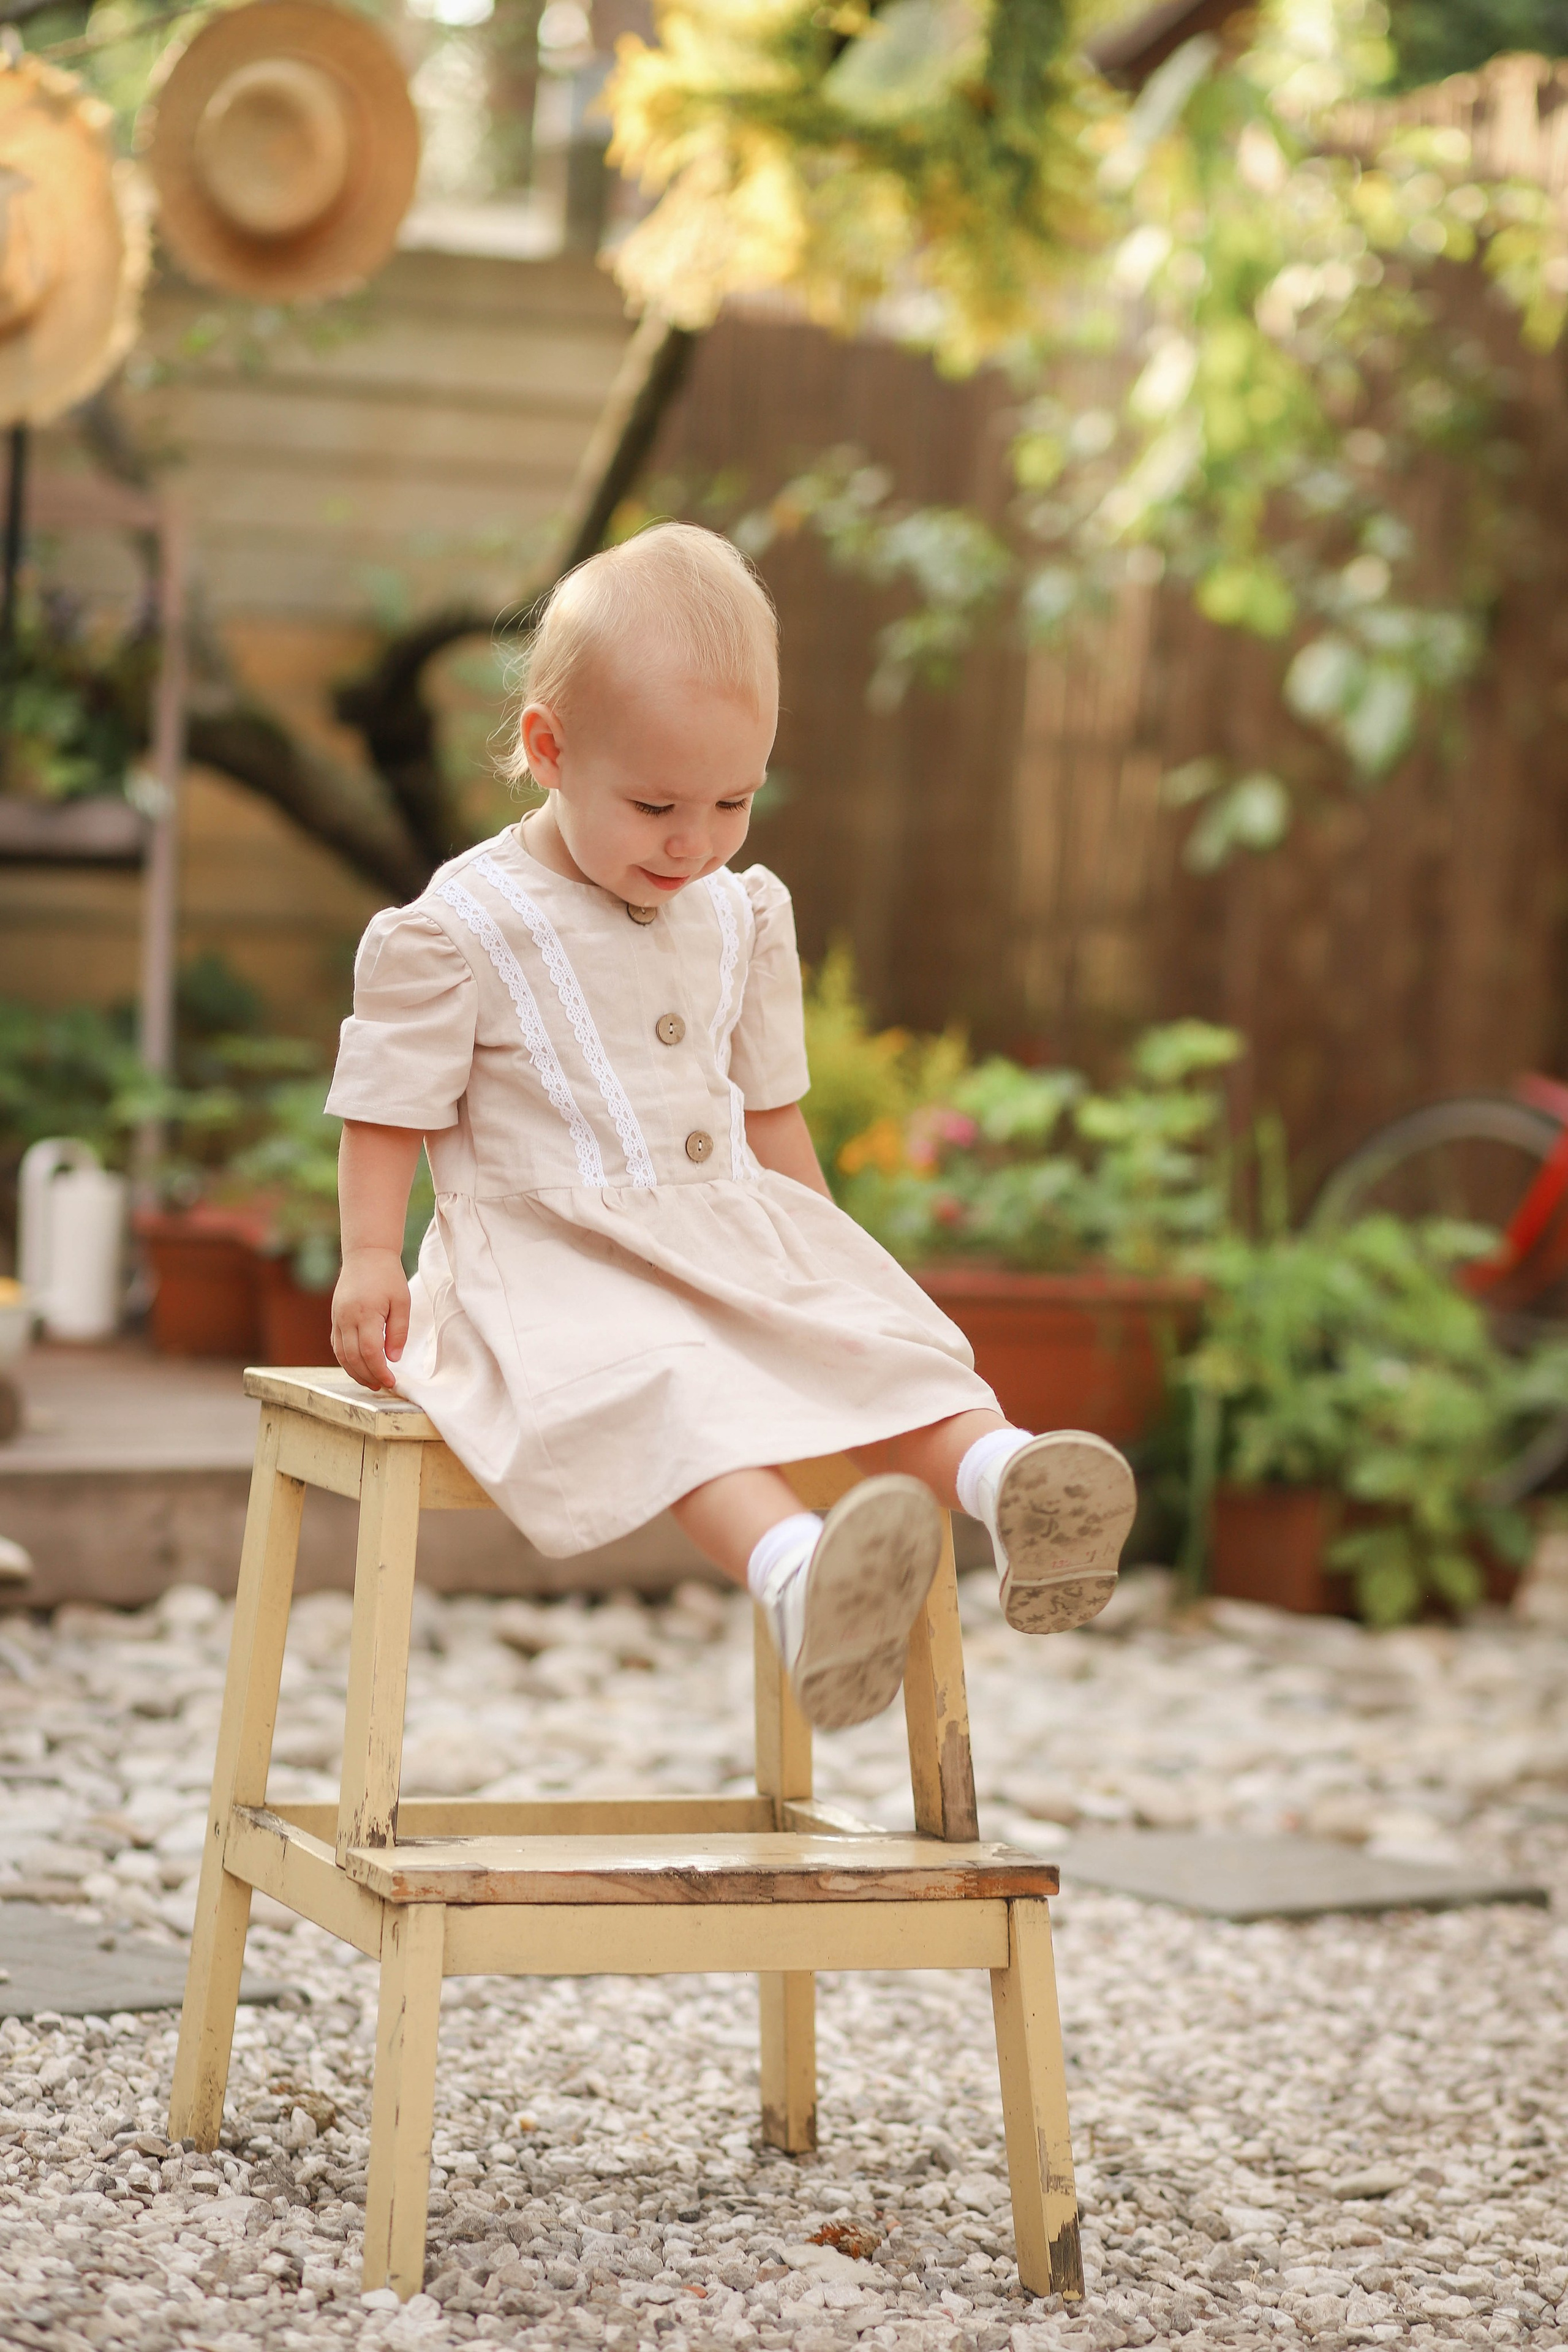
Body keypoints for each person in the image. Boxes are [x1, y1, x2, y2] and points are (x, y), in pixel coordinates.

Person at [327, 523, 1135, 1731]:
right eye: (654, 803)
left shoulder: (740, 916)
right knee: (669, 1385)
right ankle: (802, 1577)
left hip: (724, 1230)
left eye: (732, 801)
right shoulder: (464, 927)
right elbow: (389, 1103)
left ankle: (1005, 1478)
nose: (692, 841)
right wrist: (369, 1254)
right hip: (551, 1269)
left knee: (877, 1337)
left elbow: (770, 1115)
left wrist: (819, 1264)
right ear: (548, 749)